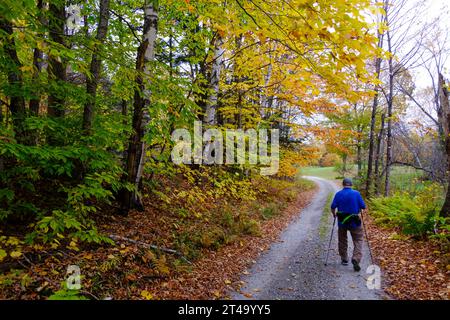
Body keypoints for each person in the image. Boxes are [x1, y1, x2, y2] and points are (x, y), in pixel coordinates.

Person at [330, 178, 366, 272]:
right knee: (358, 240)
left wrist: (334, 215)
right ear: (351, 184)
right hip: (355, 222)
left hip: (342, 222)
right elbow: (363, 206)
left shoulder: (338, 194)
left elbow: (333, 207)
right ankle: (356, 258)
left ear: (343, 184)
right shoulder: (356, 193)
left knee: (342, 240)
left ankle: (344, 259)